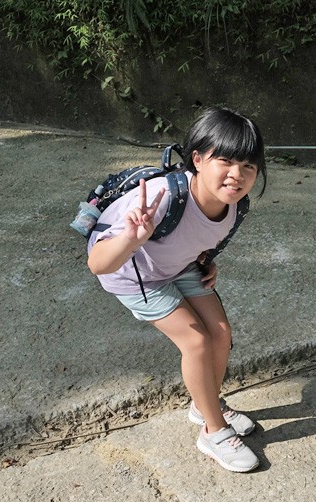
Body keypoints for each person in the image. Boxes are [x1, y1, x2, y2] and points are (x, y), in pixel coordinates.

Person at [87, 107, 266, 473]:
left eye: (248, 166)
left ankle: (205, 405)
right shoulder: (161, 198)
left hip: (179, 266)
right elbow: (99, 264)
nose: (237, 175)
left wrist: (207, 261)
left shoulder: (236, 206)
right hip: (132, 272)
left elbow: (202, 238)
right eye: (226, 161)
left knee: (220, 333)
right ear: (197, 159)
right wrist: (131, 238)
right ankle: (213, 433)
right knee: (196, 341)